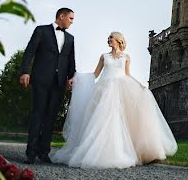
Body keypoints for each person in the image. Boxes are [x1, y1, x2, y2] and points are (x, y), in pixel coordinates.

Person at [53, 31, 177, 168]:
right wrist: (77, 79)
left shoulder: (126, 57)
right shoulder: (104, 57)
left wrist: (139, 84)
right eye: (108, 37)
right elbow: (95, 75)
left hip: (121, 89)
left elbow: (127, 75)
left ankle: (129, 150)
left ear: (118, 40)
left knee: (122, 119)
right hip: (104, 90)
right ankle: (102, 152)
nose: (108, 39)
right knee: (102, 119)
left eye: (111, 37)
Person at [19, 8, 76, 164]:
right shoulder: (41, 31)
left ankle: (44, 152)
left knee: (50, 117)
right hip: (40, 79)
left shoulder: (70, 39)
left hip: (58, 82)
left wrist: (71, 77)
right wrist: (25, 72)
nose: (72, 21)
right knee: (38, 114)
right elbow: (30, 52)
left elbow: (71, 61)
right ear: (61, 16)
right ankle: (30, 153)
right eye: (70, 18)